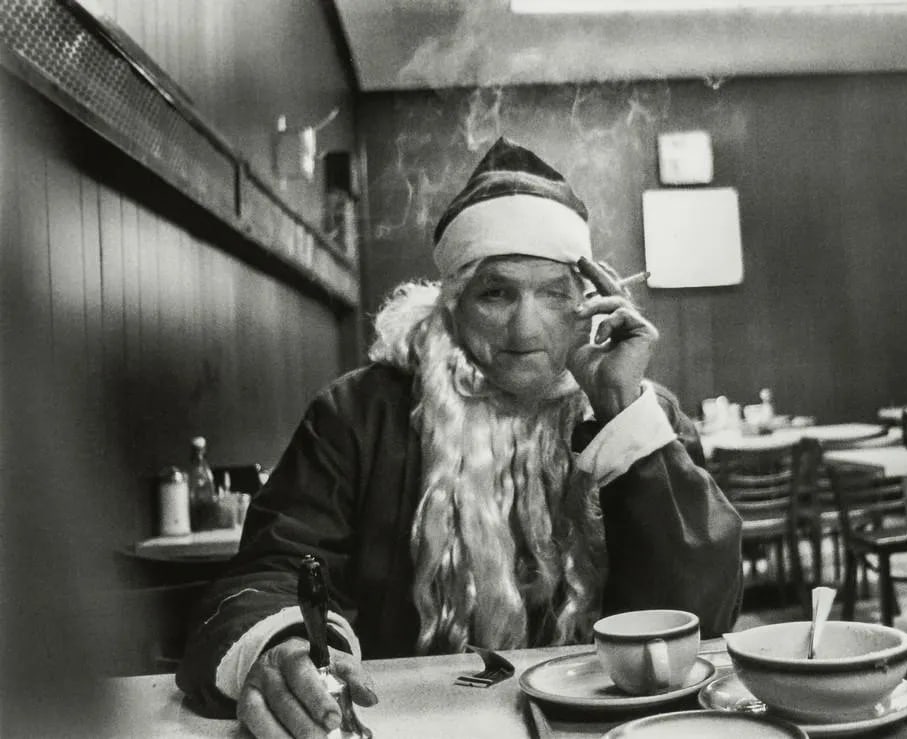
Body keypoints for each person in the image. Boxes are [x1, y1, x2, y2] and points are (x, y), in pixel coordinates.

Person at [176, 137, 744, 737]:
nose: (525, 329)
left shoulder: (642, 415)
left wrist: (622, 417)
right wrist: (288, 642)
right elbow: (278, 569)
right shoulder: (359, 415)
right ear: (452, 302)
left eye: (554, 293)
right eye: (496, 293)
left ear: (589, 302)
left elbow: (700, 619)